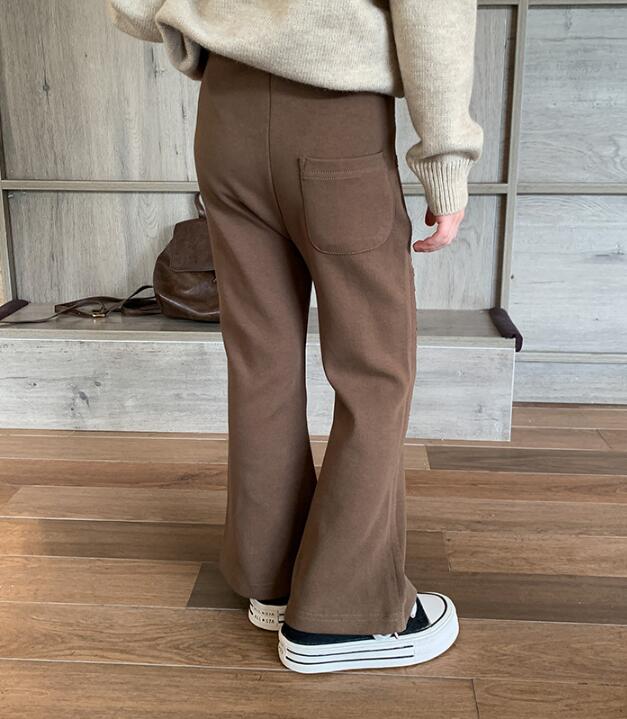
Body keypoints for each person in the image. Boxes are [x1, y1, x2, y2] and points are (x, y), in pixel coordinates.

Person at [107, 0, 484, 674]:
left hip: (225, 115)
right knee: (375, 371)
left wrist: (193, 23)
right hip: (333, 116)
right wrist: (445, 158)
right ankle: (343, 616)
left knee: (262, 360)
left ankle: (272, 578)